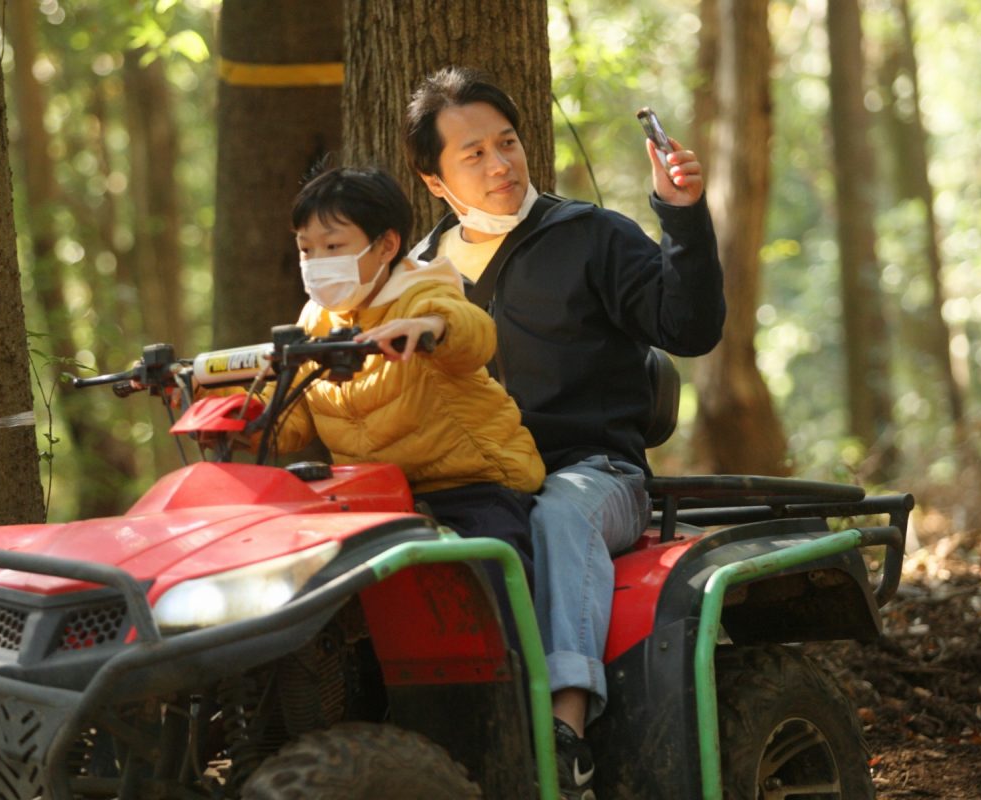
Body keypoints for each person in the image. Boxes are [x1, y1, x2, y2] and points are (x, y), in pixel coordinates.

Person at [403, 67, 725, 800]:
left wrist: (682, 217)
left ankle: (566, 728)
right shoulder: (415, 276)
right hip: (469, 483)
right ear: (434, 180)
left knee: (557, 513)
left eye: (507, 143)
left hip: (593, 476)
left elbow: (689, 328)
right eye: (474, 154)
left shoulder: (590, 235)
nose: (500, 164)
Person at [246, 165, 544, 588]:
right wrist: (237, 413)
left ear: (386, 245)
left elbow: (473, 332)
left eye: (333, 246)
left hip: (472, 489)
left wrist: (431, 327)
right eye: (306, 250)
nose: (317, 263)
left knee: (486, 587)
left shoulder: (422, 291)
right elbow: (288, 415)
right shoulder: (314, 319)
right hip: (372, 498)